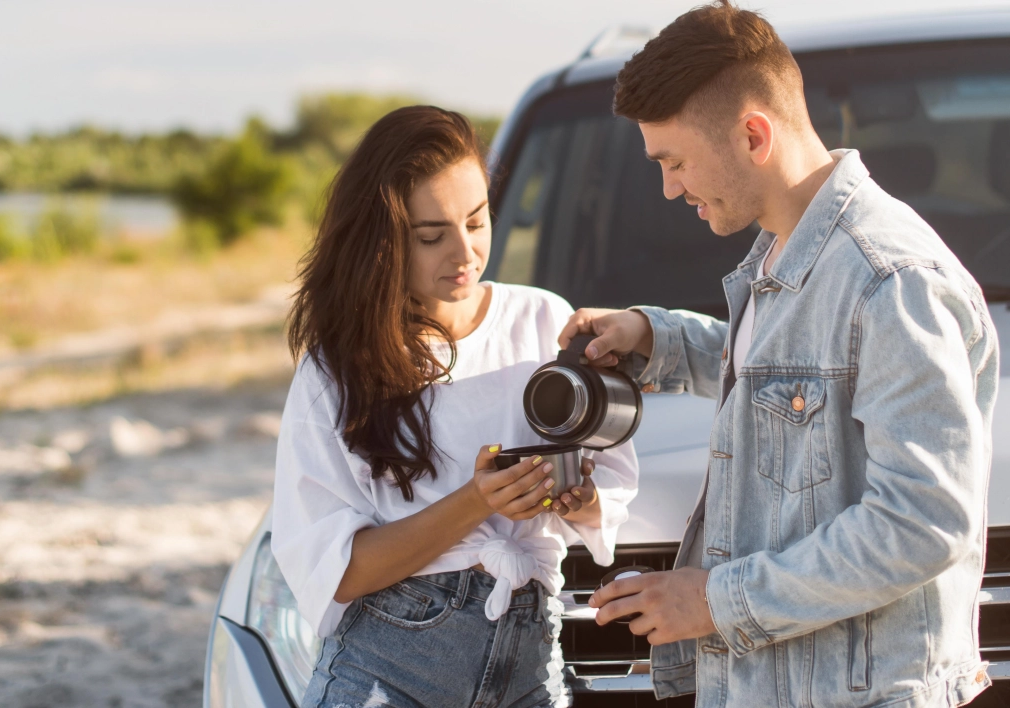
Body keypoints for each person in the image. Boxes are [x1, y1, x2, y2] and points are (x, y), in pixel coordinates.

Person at [565, 3, 999, 706]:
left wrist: (716, 603)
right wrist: (658, 337)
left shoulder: (890, 281)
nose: (670, 187)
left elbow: (922, 522)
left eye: (674, 161)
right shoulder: (790, 254)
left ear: (752, 134)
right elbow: (797, 384)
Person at [272, 105, 639, 708]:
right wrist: (475, 503)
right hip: (391, 672)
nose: (465, 252)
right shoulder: (337, 368)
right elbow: (336, 571)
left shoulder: (546, 319)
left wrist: (581, 498)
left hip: (532, 663)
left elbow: (615, 488)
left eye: (477, 220)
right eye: (431, 235)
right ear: (382, 240)